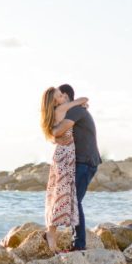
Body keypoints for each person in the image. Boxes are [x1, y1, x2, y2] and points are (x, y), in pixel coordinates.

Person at [39, 88, 88, 253]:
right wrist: (82, 103)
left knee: (57, 195)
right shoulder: (61, 109)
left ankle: (51, 235)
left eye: (62, 94)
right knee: (60, 196)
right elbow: (83, 99)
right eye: (60, 96)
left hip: (61, 154)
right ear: (55, 102)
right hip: (65, 155)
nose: (63, 97)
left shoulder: (53, 112)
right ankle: (50, 234)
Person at [58, 83, 102, 251]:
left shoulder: (75, 110)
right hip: (83, 161)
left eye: (58, 97)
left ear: (65, 96)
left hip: (85, 162)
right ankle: (77, 242)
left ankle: (79, 244)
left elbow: (58, 130)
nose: (56, 101)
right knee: (74, 201)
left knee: (75, 202)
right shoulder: (75, 109)